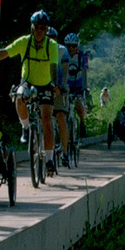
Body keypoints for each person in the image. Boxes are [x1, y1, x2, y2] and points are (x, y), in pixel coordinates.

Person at [0, 9, 60, 175]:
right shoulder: (24, 42)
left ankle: (49, 160)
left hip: (46, 84)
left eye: (42, 28)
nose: (39, 31)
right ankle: (25, 127)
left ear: (46, 29)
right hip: (27, 81)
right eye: (36, 27)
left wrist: (54, 83)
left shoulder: (51, 45)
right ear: (32, 28)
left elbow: (53, 66)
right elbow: (3, 53)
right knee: (18, 95)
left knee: (46, 119)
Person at [49, 27, 71, 168]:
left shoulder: (62, 51)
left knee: (61, 117)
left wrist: (62, 86)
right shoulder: (38, 49)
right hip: (44, 86)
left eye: (52, 38)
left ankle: (64, 152)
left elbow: (65, 70)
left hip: (58, 86)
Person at [65, 33, 89, 140]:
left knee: (79, 102)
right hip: (66, 85)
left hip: (78, 85)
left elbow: (84, 72)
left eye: (74, 46)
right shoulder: (62, 54)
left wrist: (85, 87)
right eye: (68, 46)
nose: (71, 48)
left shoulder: (81, 56)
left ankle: (82, 122)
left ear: (77, 46)